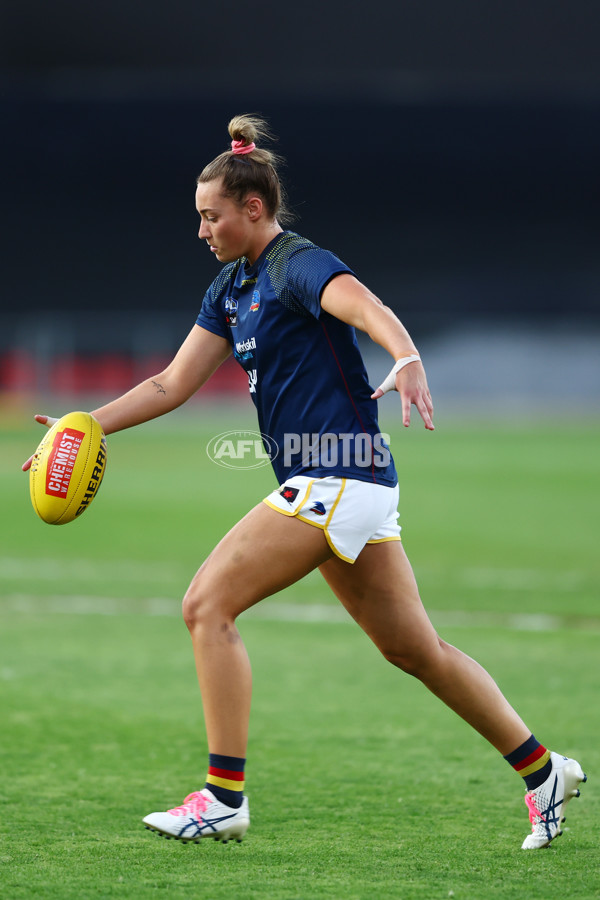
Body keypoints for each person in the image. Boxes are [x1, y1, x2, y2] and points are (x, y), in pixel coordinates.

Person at [24, 114, 585, 849]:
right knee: (416, 651)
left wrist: (407, 355)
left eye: (210, 216)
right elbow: (169, 384)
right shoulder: (231, 288)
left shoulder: (297, 263)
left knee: (205, 606)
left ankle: (223, 798)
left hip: (339, 473)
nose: (201, 231)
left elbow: (365, 305)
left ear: (252, 210)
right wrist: (85, 425)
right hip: (344, 487)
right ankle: (544, 771)